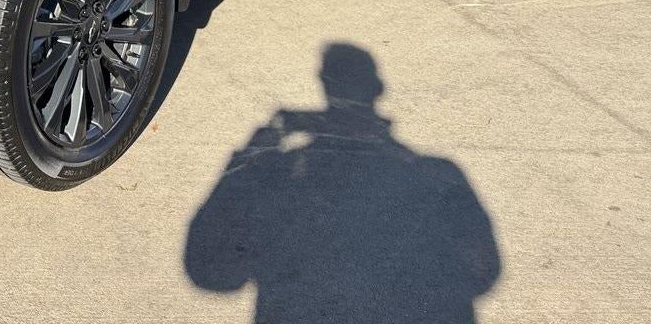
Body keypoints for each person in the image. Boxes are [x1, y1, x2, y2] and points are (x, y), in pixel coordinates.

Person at [185, 43, 500, 323]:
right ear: (377, 88)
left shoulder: (280, 177)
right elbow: (481, 272)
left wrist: (249, 160)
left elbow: (210, 272)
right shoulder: (437, 177)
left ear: (324, 85)